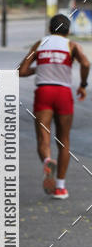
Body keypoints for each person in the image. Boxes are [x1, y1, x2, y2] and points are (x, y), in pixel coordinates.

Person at [18, 13, 89, 199]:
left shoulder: (39, 45)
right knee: (64, 140)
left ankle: (48, 161)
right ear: (68, 31)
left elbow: (21, 71)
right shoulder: (72, 46)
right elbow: (86, 63)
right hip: (63, 94)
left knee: (43, 139)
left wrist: (40, 67)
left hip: (44, 93)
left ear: (49, 29)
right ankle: (60, 187)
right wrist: (83, 85)